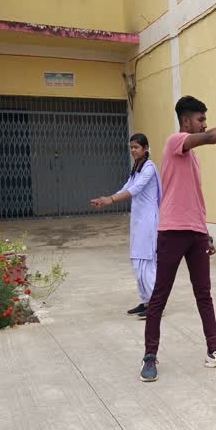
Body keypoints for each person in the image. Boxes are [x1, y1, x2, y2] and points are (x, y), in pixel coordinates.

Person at [139, 95, 216, 382]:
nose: (204, 124)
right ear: (186, 121)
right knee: (160, 297)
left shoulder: (191, 158)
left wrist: (205, 233)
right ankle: (149, 355)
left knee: (204, 295)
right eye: (201, 119)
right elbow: (209, 138)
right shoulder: (174, 142)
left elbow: (196, 197)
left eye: (205, 119)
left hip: (195, 233)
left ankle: (213, 349)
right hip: (171, 231)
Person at [91, 133, 161, 319]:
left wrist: (111, 200)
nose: (133, 150)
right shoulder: (136, 168)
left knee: (146, 260)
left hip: (149, 220)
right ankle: (146, 301)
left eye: (136, 147)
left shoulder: (149, 168)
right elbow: (126, 187)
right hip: (138, 220)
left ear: (146, 148)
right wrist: (107, 199)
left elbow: (135, 190)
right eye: (131, 147)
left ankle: (155, 305)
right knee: (137, 260)